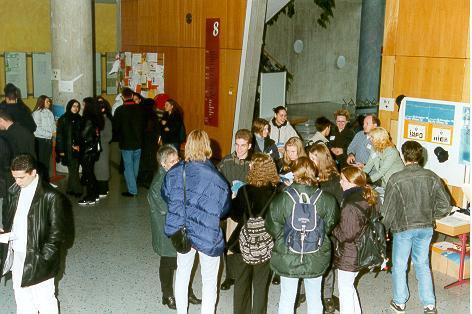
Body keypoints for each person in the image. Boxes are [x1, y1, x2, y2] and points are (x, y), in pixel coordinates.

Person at [163, 129, 231, 314]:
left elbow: (166, 195)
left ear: (188, 146)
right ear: (207, 146)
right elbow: (225, 209)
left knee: (183, 274)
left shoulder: (175, 172)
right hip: (207, 233)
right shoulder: (217, 178)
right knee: (209, 281)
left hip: (182, 231)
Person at [382, 141, 451, 314]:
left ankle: (399, 303)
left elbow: (388, 210)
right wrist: (429, 215)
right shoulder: (432, 176)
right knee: (422, 264)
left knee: (399, 265)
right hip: (426, 228)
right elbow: (445, 206)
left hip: (403, 229)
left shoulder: (396, 178)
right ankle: (429, 305)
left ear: (404, 155)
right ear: (420, 156)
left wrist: (383, 231)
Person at [266, 157, 339, 314]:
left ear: (294, 173)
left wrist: (286, 237)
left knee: (287, 297)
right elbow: (331, 224)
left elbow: (272, 225)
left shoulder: (282, 198)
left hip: (288, 254)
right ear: (314, 173)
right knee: (314, 297)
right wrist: (316, 235)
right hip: (316, 254)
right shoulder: (327, 199)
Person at [0, 154, 71, 313]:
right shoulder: (14, 191)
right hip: (17, 252)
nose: (17, 182)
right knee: (21, 296)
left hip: (39, 256)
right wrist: (5, 232)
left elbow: (58, 234)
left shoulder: (52, 196)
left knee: (44, 300)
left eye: (21, 177)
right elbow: (10, 219)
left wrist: (44, 257)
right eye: (14, 177)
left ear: (33, 172)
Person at [147, 145, 201, 310]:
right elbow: (167, 208)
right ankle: (167, 294)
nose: (177, 163)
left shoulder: (175, 174)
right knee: (169, 261)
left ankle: (186, 292)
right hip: (167, 230)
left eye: (178, 159)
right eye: (172, 161)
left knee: (185, 260)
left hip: (178, 227)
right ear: (163, 164)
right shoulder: (159, 183)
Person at [229, 153, 281, 314]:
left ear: (256, 169)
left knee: (241, 282)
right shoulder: (277, 193)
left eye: (252, 165)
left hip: (244, 243)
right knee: (260, 285)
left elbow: (235, 215)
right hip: (267, 243)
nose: (249, 166)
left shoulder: (245, 190)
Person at [332, 166, 379, 314]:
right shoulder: (365, 197)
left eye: (342, 179)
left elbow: (346, 235)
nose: (340, 182)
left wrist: (331, 225)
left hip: (350, 253)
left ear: (351, 182)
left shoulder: (350, 205)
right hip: (361, 249)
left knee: (345, 291)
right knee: (349, 287)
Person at [307, 142, 343, 313]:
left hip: (328, 228)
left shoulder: (334, 180)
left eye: (314, 158)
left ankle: (327, 296)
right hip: (310, 226)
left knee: (327, 263)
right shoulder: (311, 177)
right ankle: (306, 292)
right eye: (310, 157)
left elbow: (337, 208)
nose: (310, 161)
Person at [217, 129, 252, 291]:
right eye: (237, 145)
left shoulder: (254, 164)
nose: (239, 149)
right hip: (231, 211)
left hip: (248, 211)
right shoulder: (226, 162)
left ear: (250, 146)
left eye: (243, 146)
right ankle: (230, 276)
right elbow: (217, 181)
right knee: (229, 245)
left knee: (246, 245)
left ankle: (243, 276)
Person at [113, 87, 146, 197]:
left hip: (126, 143)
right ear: (132, 96)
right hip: (139, 142)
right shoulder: (141, 109)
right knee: (135, 165)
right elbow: (144, 126)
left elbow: (116, 128)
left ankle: (132, 190)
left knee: (128, 167)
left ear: (122, 97)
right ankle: (133, 184)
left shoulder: (119, 110)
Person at [78, 97, 103, 205]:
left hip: (87, 149)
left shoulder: (88, 119)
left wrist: (76, 140)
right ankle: (95, 194)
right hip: (93, 149)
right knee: (90, 172)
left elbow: (83, 135)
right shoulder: (96, 118)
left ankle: (90, 197)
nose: (82, 106)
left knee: (88, 173)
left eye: (84, 104)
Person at [55, 100, 83, 197]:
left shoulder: (79, 118)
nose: (76, 108)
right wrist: (61, 150)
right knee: (73, 169)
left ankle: (70, 188)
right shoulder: (64, 119)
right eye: (74, 106)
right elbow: (59, 136)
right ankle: (78, 190)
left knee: (73, 169)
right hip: (68, 149)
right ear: (69, 107)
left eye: (77, 106)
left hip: (78, 149)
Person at [137, 97, 160, 189]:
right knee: (150, 160)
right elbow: (156, 129)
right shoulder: (153, 115)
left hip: (142, 141)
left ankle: (141, 179)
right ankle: (147, 181)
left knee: (143, 160)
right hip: (151, 141)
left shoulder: (140, 114)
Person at [32, 95, 56, 181]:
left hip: (48, 140)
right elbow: (37, 130)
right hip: (40, 141)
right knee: (40, 163)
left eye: (49, 101)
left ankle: (46, 181)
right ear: (42, 102)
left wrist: (54, 132)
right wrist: (50, 134)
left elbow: (53, 125)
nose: (49, 103)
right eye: (47, 101)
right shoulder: (36, 113)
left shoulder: (50, 112)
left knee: (46, 162)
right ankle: (40, 182)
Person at [94, 96, 113, 197]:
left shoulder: (106, 120)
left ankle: (103, 189)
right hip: (100, 146)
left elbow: (109, 136)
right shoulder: (99, 120)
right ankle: (103, 188)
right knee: (99, 168)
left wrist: (98, 138)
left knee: (103, 168)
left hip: (103, 147)